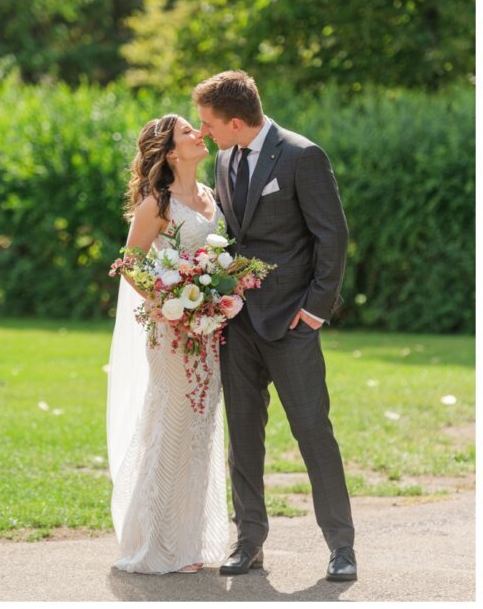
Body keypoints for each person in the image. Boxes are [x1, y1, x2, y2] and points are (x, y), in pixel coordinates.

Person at [194, 69, 356, 582]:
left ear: (236, 121)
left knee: (313, 432)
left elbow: (332, 237)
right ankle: (249, 541)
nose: (205, 134)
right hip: (236, 325)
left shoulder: (302, 155)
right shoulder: (223, 158)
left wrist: (314, 310)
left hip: (292, 324)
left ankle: (341, 547)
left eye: (209, 124)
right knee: (243, 436)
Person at [107, 113, 230, 575]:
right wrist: (169, 303)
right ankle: (156, 542)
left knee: (202, 429)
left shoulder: (211, 197)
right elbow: (131, 262)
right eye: (187, 131)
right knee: (173, 424)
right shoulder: (156, 204)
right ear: (172, 151)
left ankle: (191, 540)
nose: (199, 134)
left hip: (210, 330)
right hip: (173, 332)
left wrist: (213, 300)